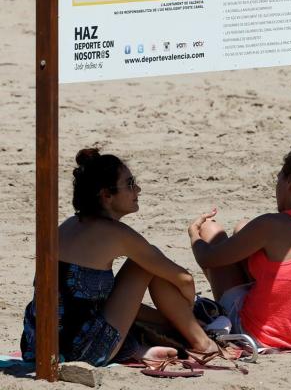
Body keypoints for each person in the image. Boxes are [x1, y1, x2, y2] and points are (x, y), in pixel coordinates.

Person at [20, 149, 223, 367]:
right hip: (80, 351)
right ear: (106, 195)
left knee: (165, 315)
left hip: (37, 344)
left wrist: (173, 316)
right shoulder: (118, 234)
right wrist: (187, 306)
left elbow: (79, 300)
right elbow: (184, 279)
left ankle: (174, 330)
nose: (138, 189)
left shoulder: (68, 225)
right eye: (130, 184)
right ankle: (203, 343)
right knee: (144, 265)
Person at [188, 146, 291, 351]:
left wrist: (194, 234)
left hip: (261, 336)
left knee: (210, 229)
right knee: (243, 229)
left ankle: (236, 311)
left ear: (290, 182)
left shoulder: (271, 225)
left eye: (278, 179)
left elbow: (208, 258)